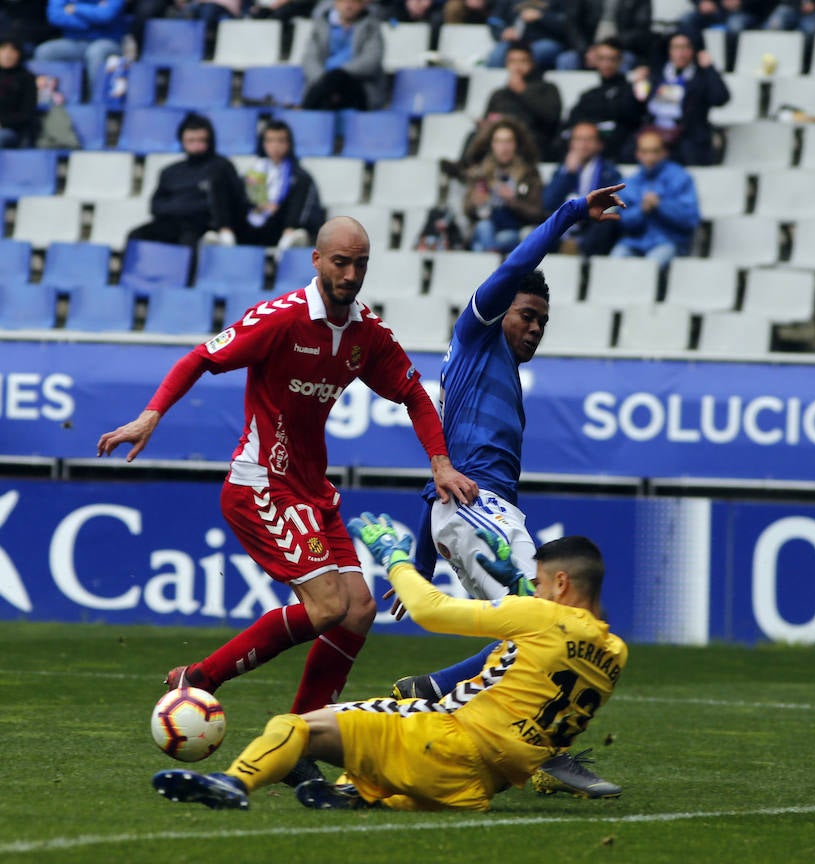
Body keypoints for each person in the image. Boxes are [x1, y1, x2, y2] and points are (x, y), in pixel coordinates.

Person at [98, 217, 477, 718]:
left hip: (310, 489)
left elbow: (414, 393)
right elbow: (201, 358)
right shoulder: (281, 319)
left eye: (360, 264)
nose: (350, 274)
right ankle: (200, 678)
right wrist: (151, 415)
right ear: (316, 260)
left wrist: (441, 464)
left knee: (359, 610)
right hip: (261, 483)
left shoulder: (366, 333)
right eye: (340, 262)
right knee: (327, 607)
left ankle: (304, 733)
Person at [390, 183, 627, 799]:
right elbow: (516, 266)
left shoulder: (492, 378)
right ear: (500, 310)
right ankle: (549, 753)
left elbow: (442, 478)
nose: (535, 327)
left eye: (543, 321)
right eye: (527, 315)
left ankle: (433, 691)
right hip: (481, 511)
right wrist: (571, 214)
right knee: (555, 624)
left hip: (479, 513)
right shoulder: (477, 334)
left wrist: (423, 558)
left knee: (527, 632)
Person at [151, 517, 628, 812]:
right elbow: (551, 648)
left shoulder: (541, 617)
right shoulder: (613, 653)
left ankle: (232, 783)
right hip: (479, 787)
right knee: (384, 755)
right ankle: (356, 793)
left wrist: (396, 559)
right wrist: (521, 591)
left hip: (443, 740)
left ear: (561, 584)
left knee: (293, 726)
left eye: (539, 583)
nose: (535, 591)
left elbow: (431, 611)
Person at [127, 112, 247, 250]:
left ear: (210, 140)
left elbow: (229, 203)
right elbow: (156, 206)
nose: (196, 145)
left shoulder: (222, 167)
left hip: (202, 227)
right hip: (171, 223)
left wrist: (183, 207)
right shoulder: (170, 172)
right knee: (136, 235)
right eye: (191, 140)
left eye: (201, 140)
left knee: (190, 241)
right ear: (182, 141)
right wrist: (184, 207)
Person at [630, 30, 730, 166]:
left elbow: (720, 98)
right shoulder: (657, 75)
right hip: (655, 133)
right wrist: (638, 84)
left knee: (689, 154)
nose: (680, 53)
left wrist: (710, 68)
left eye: (686, 47)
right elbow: (639, 104)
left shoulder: (701, 77)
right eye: (676, 47)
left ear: (694, 50)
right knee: (630, 151)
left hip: (688, 137)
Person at [609, 128, 699, 278]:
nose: (650, 157)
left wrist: (660, 205)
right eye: (645, 152)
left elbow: (690, 219)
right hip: (635, 242)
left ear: (664, 152)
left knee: (650, 267)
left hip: (669, 242)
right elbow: (623, 222)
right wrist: (641, 210)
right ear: (638, 154)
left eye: (655, 151)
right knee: (614, 261)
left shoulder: (680, 178)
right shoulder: (629, 183)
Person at [237, 119, 326, 257]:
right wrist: (260, 206)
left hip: (282, 226)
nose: (275, 146)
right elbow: (243, 201)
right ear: (263, 143)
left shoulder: (300, 176)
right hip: (253, 228)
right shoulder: (253, 172)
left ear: (289, 144)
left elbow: (305, 209)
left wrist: (288, 223)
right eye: (270, 140)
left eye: (280, 141)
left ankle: (292, 238)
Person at [463, 116, 545, 253]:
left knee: (498, 240)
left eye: (508, 141)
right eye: (499, 141)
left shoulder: (529, 174)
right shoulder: (480, 174)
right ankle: (492, 254)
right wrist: (475, 202)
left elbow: (537, 213)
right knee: (484, 227)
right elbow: (467, 211)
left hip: (513, 229)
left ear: (516, 144)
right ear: (491, 145)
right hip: (485, 227)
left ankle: (489, 256)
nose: (504, 147)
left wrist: (513, 201)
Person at [542, 121, 622, 256]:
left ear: (599, 144)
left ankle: (580, 252)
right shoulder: (562, 170)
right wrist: (567, 174)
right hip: (565, 225)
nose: (583, 145)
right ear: (571, 144)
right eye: (578, 139)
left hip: (592, 226)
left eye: (589, 140)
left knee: (607, 222)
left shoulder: (609, 172)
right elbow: (548, 203)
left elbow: (611, 205)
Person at [564, 36, 645, 163]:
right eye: (601, 58)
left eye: (611, 59)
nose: (606, 64)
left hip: (615, 152)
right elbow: (572, 120)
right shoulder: (589, 94)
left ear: (620, 61)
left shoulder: (630, 91)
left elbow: (630, 117)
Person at [482, 40, 563, 162]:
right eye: (512, 61)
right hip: (501, 141)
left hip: (533, 141)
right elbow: (488, 119)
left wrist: (523, 91)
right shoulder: (499, 94)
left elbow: (551, 119)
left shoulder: (547, 88)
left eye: (522, 61)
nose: (517, 66)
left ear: (532, 63)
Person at [34, 0, 128, 102]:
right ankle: (50, 102)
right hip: (76, 41)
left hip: (108, 41)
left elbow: (106, 15)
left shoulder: (74, 7)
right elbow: (55, 16)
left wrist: (75, 8)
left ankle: (97, 103)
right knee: (45, 52)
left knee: (95, 52)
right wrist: (91, 22)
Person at [301, 0, 387, 111]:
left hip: (357, 85)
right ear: (335, 3)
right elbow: (310, 59)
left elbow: (371, 61)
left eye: (354, 2)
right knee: (329, 87)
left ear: (362, 5)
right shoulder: (321, 25)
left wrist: (339, 73)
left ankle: (305, 108)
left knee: (337, 78)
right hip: (323, 84)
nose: (348, 5)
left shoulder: (371, 27)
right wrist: (325, 79)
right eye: (344, 1)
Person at [558, 0, 656, 71]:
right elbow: (572, 24)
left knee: (626, 60)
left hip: (622, 48)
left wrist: (612, 47)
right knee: (566, 60)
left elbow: (641, 29)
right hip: (588, 47)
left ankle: (618, 91)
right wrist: (585, 51)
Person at [486, 0, 570, 71]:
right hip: (514, 41)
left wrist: (541, 16)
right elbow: (494, 19)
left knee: (533, 55)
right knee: (496, 57)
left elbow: (567, 22)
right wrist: (502, 31)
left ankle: (530, 83)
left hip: (546, 40)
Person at [0, 35, 37, 149]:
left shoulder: (26, 79)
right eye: (3, 49)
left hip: (11, 130)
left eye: (12, 50)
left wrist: (3, 122)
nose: (7, 54)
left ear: (19, 54)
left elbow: (27, 114)